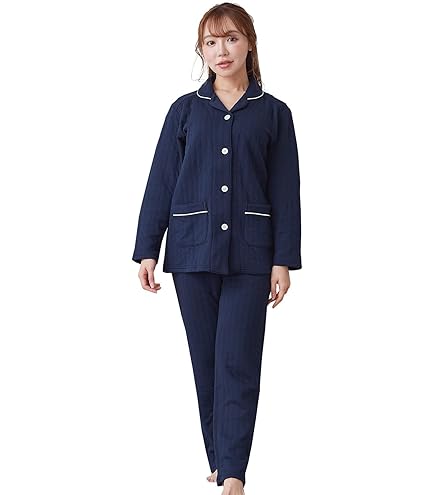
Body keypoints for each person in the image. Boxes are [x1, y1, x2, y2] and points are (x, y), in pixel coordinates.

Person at [132, 3, 302, 493]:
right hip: (191, 254)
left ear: (249, 42)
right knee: (206, 363)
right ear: (201, 51)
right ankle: (220, 458)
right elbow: (161, 182)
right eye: (210, 42)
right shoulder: (184, 111)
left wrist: (283, 260)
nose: (221, 50)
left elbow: (285, 190)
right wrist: (148, 248)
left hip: (251, 256)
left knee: (238, 362)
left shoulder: (274, 113)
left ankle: (233, 473)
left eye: (230, 38)